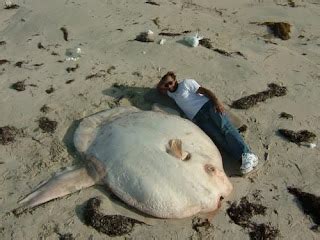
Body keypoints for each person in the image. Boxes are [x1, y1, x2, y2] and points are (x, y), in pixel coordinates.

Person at [157, 71, 258, 175]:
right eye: (166, 85)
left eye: (171, 82)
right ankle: (241, 158)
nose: (169, 86)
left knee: (226, 129)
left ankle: (248, 154)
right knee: (220, 139)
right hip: (198, 118)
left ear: (175, 80)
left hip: (208, 107)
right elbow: (159, 89)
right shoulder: (171, 94)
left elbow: (205, 91)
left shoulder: (186, 83)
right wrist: (162, 84)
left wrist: (217, 102)